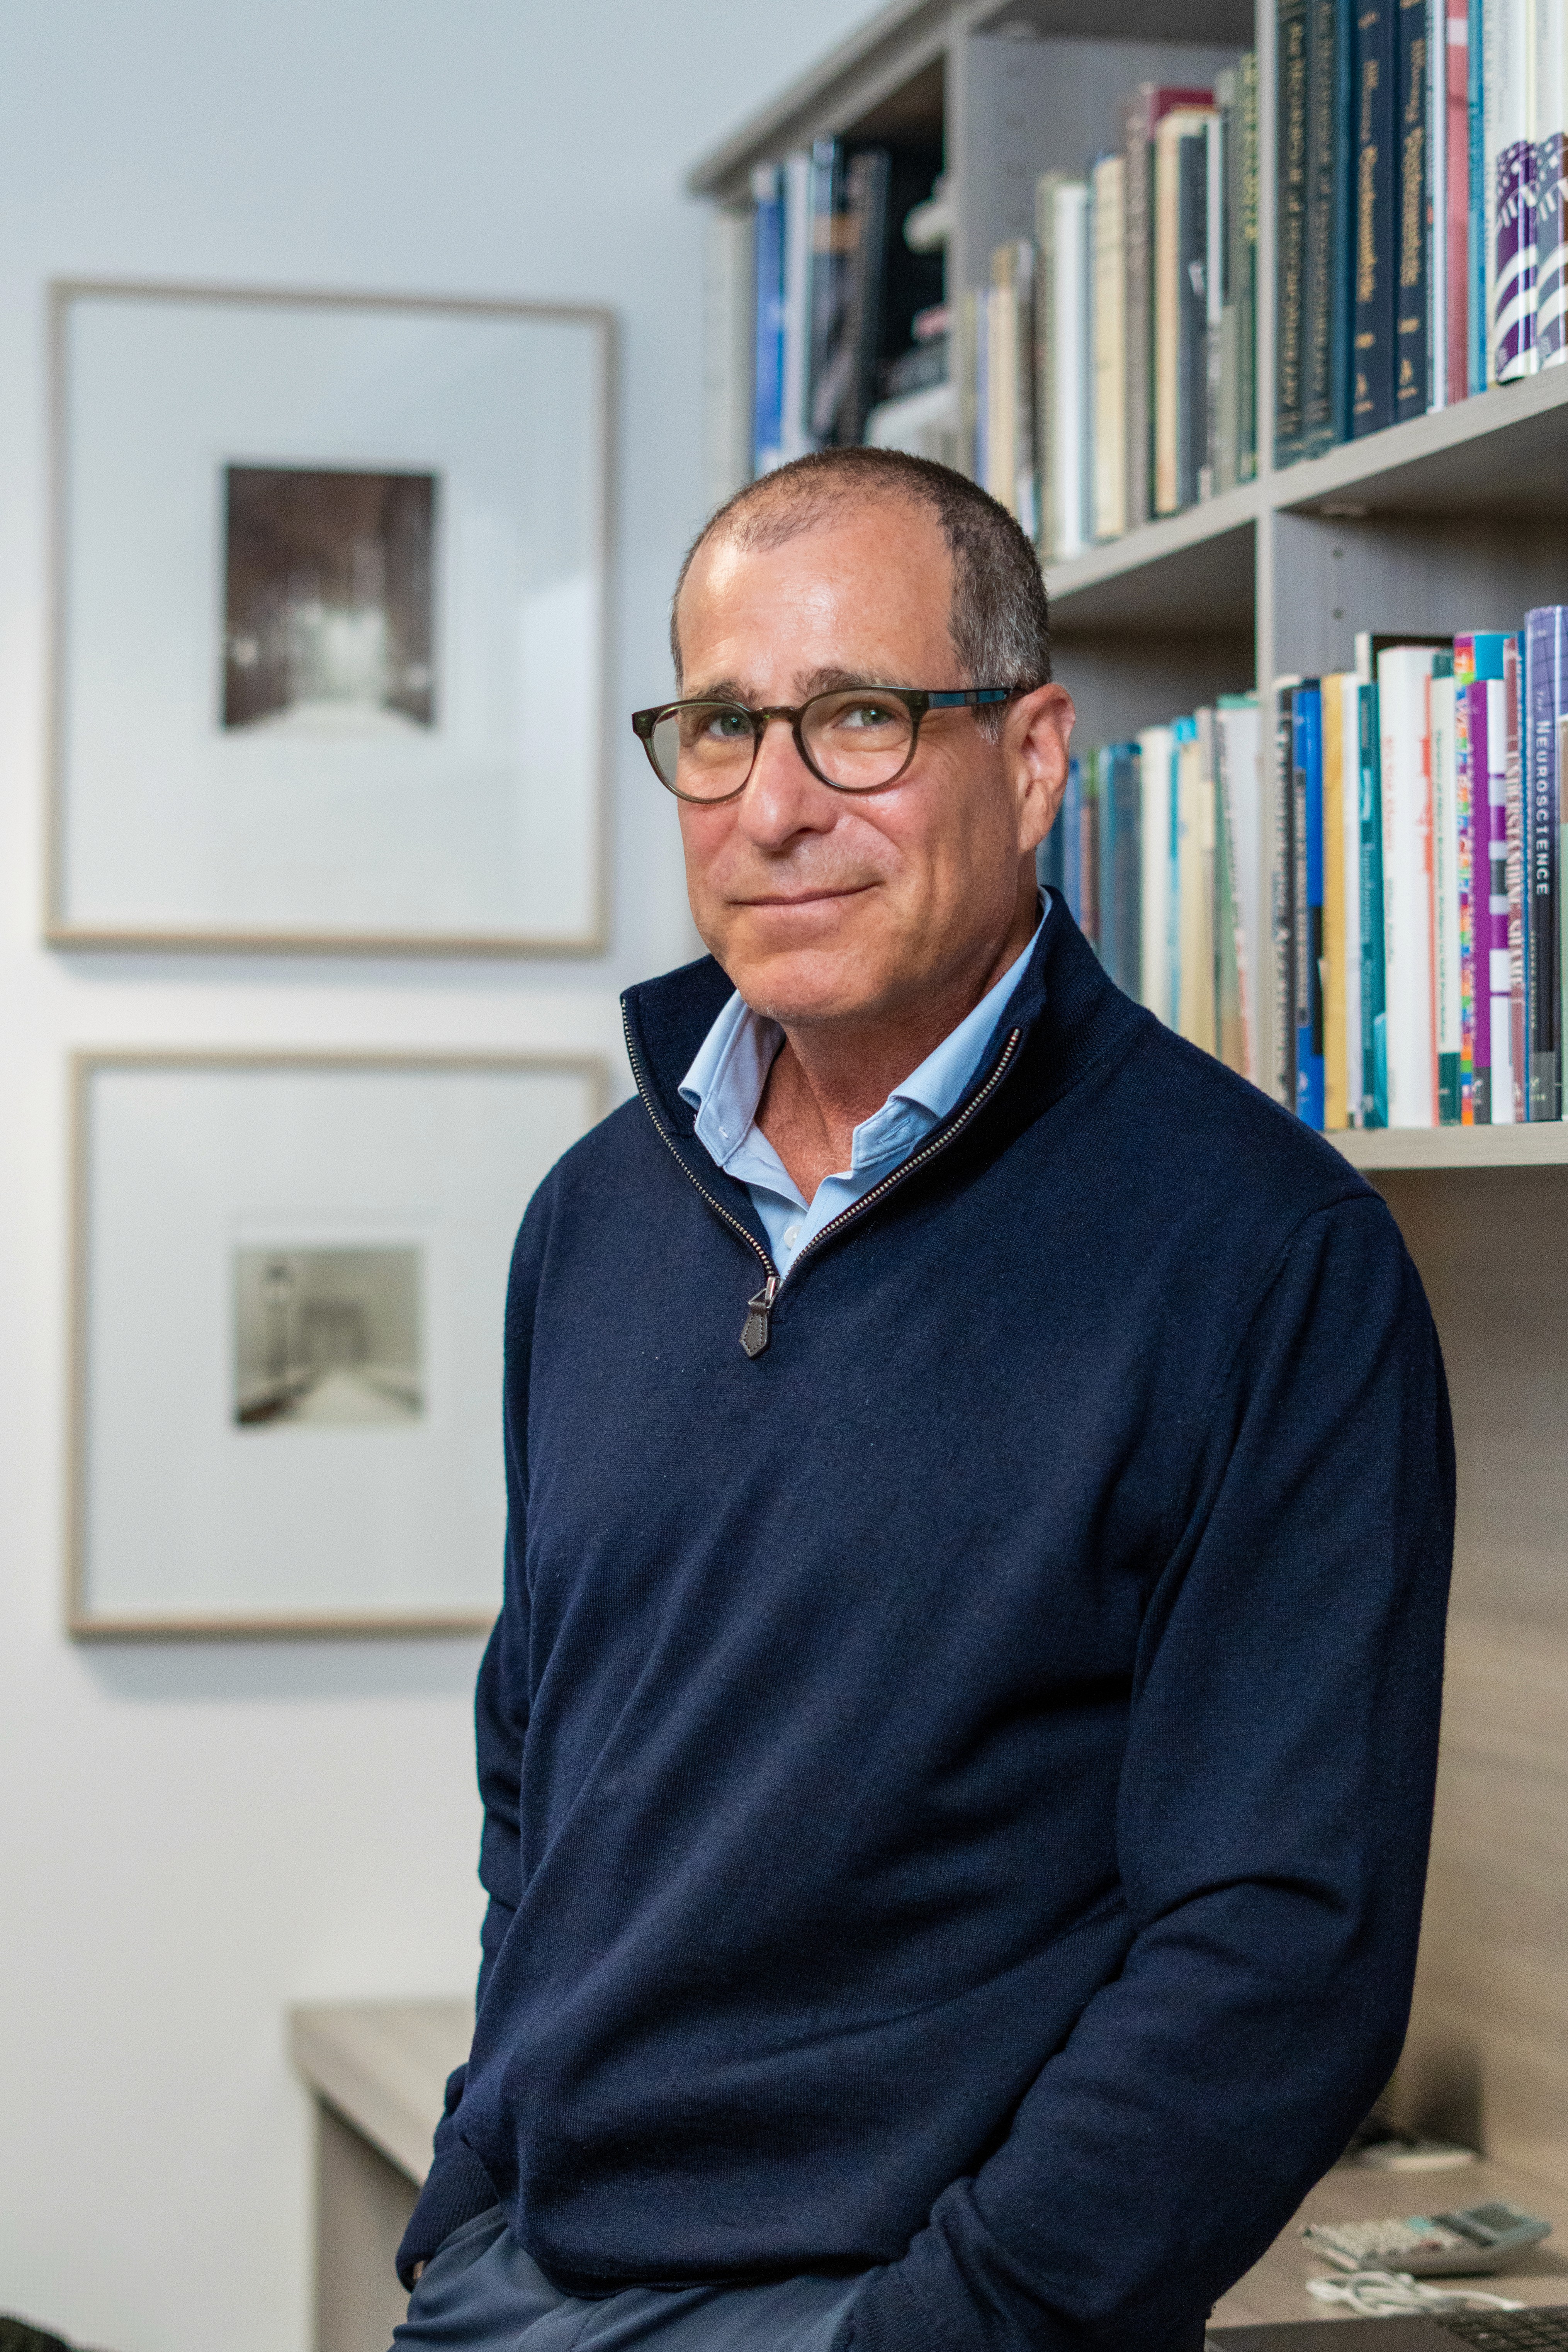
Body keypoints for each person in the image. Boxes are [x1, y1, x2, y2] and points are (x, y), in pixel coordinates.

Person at [392, 447, 1454, 2352]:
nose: (774, 804)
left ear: (1031, 759)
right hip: (515, 2282)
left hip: (883, 2312)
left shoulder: (1263, 1254)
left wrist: (958, 2324)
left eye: (861, 717)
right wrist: (479, 2170)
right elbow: (536, 1764)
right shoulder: (594, 1216)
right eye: (722, 727)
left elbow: (1283, 1939)